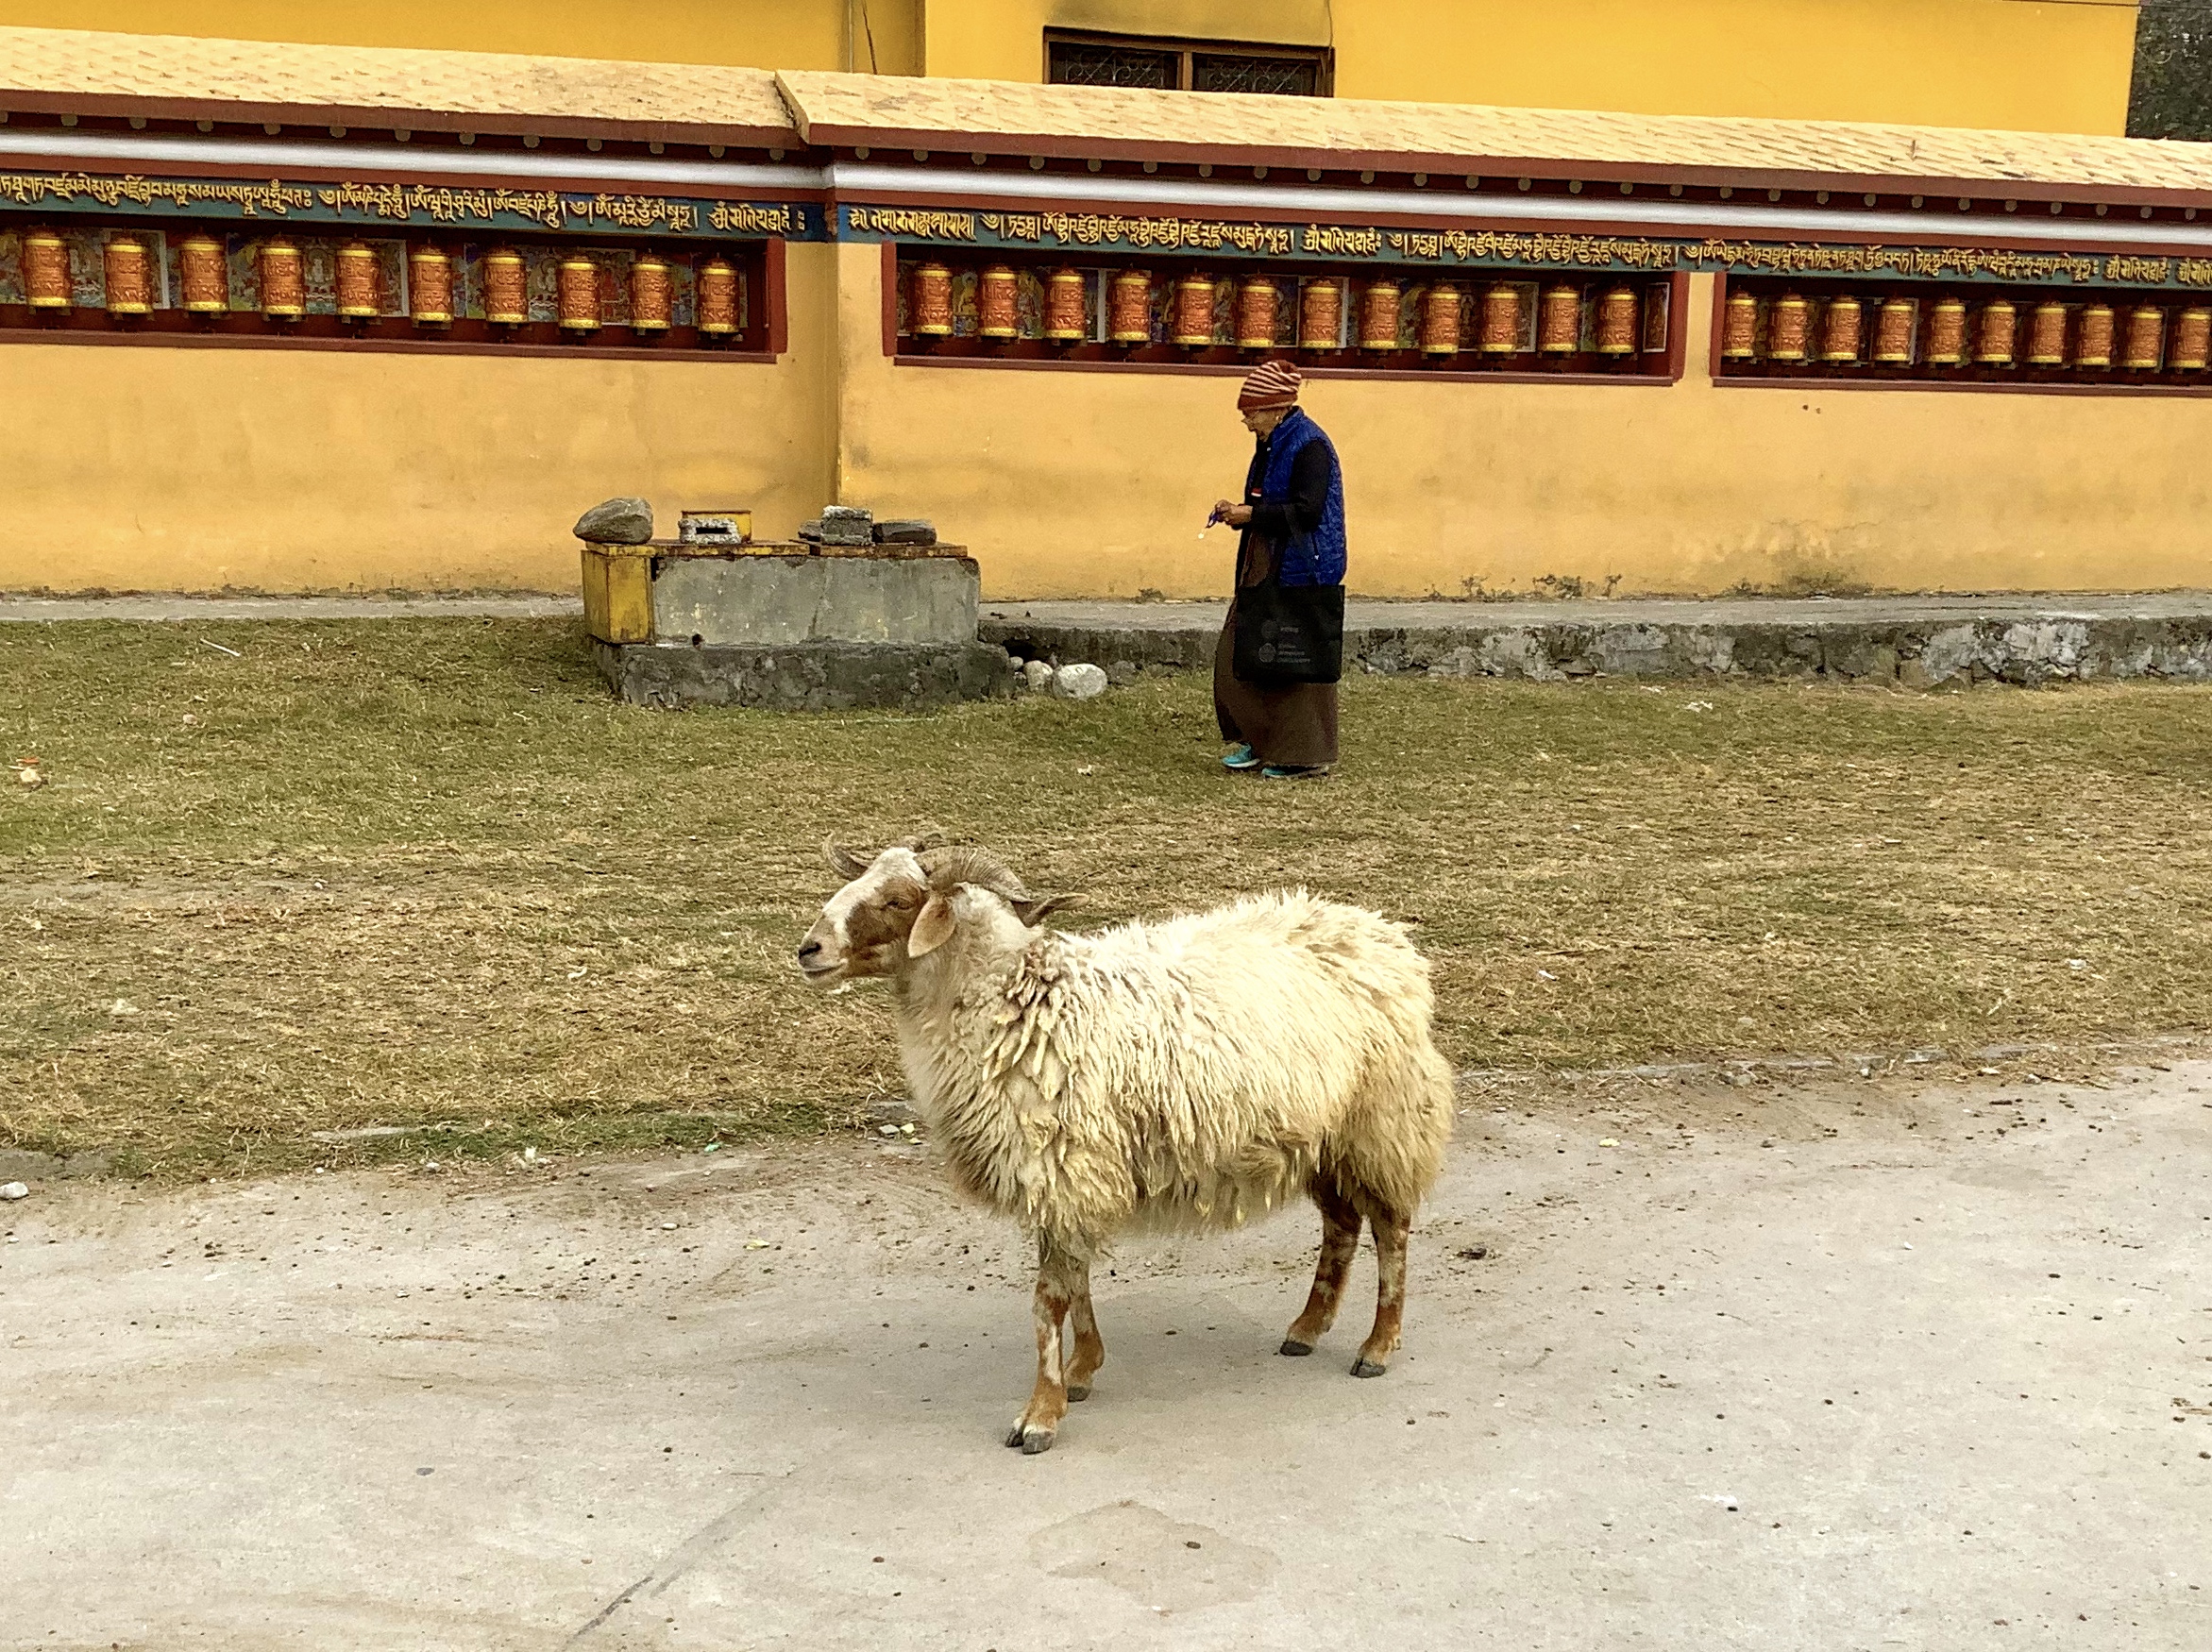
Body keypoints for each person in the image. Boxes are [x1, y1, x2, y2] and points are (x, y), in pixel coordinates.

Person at [1210, 360, 1346, 781]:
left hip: (1301, 565)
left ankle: (1303, 755)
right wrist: (1239, 511)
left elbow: (1307, 511)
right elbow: (1266, 499)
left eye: (1252, 413)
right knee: (1247, 648)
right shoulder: (1271, 444)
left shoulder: (1310, 446)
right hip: (1267, 556)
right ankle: (1260, 739)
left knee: (1296, 656)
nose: (1247, 421)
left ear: (1278, 408)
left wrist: (1251, 515)